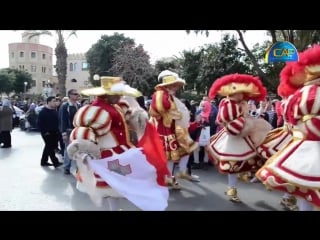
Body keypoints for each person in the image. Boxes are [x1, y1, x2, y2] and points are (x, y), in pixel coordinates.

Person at [67, 76, 170, 211]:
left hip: (122, 152)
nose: (120, 96)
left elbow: (127, 121)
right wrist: (85, 151)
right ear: (106, 94)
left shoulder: (115, 106)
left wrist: (137, 118)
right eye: (117, 93)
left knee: (119, 183)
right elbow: (86, 131)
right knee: (115, 184)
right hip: (109, 155)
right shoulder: (97, 110)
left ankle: (114, 209)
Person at [256, 45, 320, 211]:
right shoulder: (297, 96)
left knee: (303, 182)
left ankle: (290, 200)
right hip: (305, 141)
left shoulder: (297, 95)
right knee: (304, 182)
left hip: (301, 140)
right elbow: (290, 118)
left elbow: (291, 119)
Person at [206, 73, 272, 203]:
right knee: (233, 164)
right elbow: (223, 119)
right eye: (240, 93)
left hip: (242, 136)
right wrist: (242, 121)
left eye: (243, 93)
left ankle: (235, 184)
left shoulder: (240, 103)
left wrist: (248, 119)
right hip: (232, 137)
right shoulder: (227, 103)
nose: (242, 95)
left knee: (246, 160)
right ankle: (232, 189)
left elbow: (243, 117)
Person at [149, 70, 199, 189]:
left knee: (187, 149)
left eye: (176, 86)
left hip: (173, 130)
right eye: (174, 85)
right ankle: (167, 179)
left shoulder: (169, 95)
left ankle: (179, 173)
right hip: (164, 131)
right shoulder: (160, 94)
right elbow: (161, 107)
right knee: (169, 157)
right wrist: (175, 112)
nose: (176, 88)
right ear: (167, 86)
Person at [37, 96, 63, 168]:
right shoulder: (43, 112)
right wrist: (45, 132)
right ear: (49, 102)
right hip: (47, 133)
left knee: (48, 147)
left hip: (55, 132)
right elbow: (39, 123)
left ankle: (44, 161)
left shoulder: (54, 111)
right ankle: (55, 162)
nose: (55, 102)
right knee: (50, 147)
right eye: (54, 101)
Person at [59, 89, 81, 175]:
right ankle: (66, 167)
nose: (77, 96)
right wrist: (63, 132)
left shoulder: (79, 105)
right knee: (68, 148)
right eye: (75, 94)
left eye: (77, 94)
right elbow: (62, 120)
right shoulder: (65, 106)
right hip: (68, 130)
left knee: (79, 148)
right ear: (70, 95)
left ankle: (79, 167)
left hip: (78, 130)